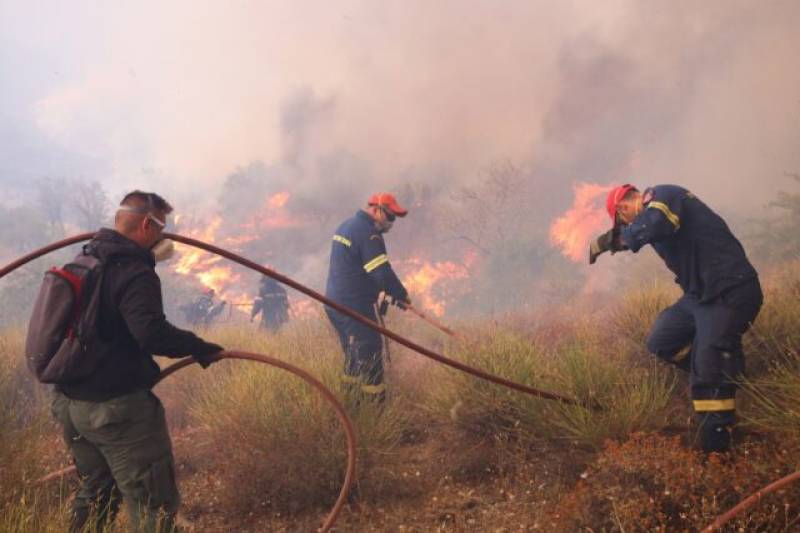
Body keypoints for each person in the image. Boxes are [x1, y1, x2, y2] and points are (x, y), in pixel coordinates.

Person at [49, 190, 224, 532]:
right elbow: (151, 333)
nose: (164, 237)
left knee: (97, 492)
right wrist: (198, 346)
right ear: (147, 225)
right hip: (115, 411)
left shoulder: (86, 259)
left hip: (70, 404)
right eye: (161, 229)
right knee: (152, 500)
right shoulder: (134, 271)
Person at [589, 183, 763, 453]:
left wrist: (610, 240)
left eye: (622, 221)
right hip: (699, 297)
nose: (627, 227)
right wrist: (609, 242)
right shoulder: (650, 219)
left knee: (707, 374)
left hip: (730, 292)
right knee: (662, 341)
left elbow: (655, 224)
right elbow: (643, 230)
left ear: (623, 207)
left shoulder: (664, 196)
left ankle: (718, 452)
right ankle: (725, 368)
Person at [324, 193, 411, 402]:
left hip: (334, 303)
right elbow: (381, 272)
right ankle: (375, 407)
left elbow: (355, 270)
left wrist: (380, 293)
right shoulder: (368, 234)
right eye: (390, 217)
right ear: (376, 210)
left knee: (353, 352)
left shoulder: (346, 226)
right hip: (353, 307)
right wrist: (401, 294)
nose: (391, 223)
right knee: (370, 352)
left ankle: (350, 402)